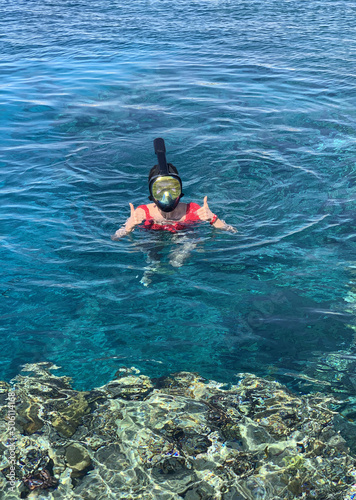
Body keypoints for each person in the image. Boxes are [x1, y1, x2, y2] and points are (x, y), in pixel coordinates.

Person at [112, 138, 236, 240]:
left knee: (189, 245)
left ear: (180, 191)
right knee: (149, 250)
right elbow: (115, 238)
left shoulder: (193, 211)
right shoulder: (143, 213)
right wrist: (128, 227)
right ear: (151, 195)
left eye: (172, 189)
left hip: (184, 238)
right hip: (153, 238)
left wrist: (213, 219)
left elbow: (233, 232)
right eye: (160, 190)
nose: (167, 196)